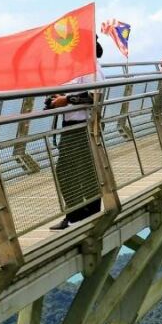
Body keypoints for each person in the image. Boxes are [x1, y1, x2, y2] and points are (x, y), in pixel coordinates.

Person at [49, 39, 105, 231]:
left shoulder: (92, 68)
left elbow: (93, 96)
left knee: (75, 171)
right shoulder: (77, 68)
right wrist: (56, 100)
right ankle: (77, 214)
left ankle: (84, 215)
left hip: (84, 126)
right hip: (71, 124)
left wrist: (67, 99)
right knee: (73, 172)